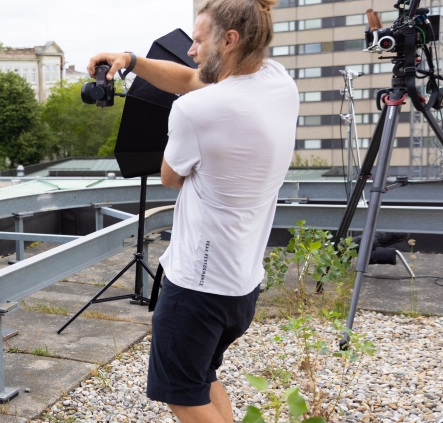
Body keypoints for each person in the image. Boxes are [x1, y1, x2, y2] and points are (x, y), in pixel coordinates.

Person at [88, 0, 298, 421]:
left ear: (230, 40)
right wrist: (129, 61)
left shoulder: (196, 110)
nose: (191, 50)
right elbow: (188, 78)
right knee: (201, 375)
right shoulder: (278, 82)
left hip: (197, 287)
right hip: (241, 283)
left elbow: (170, 175)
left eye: (199, 41)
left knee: (182, 393)